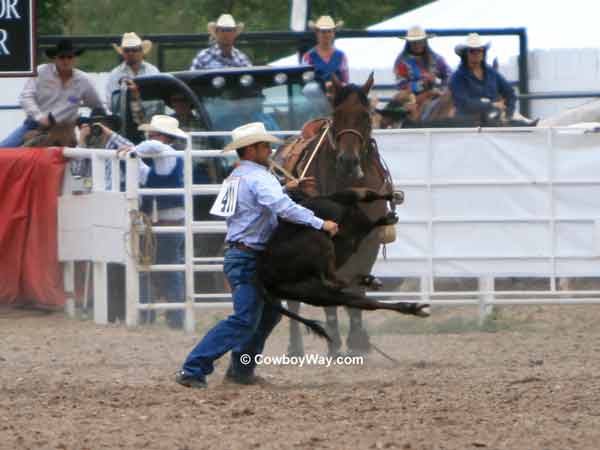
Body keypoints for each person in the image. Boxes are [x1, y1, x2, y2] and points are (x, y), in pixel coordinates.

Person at [175, 122, 339, 388]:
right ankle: (194, 368)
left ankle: (240, 371)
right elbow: (280, 207)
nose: (270, 149)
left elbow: (252, 204)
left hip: (244, 255)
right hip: (251, 257)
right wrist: (320, 223)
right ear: (250, 150)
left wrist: (284, 187)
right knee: (245, 319)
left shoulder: (236, 177)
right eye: (265, 146)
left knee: (266, 315)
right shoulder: (260, 178)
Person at [118, 115, 189, 329]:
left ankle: (173, 316)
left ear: (165, 137)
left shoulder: (166, 152)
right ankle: (163, 315)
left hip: (168, 222)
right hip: (160, 222)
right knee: (158, 267)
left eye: (154, 133)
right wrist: (127, 151)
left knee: (168, 268)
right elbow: (142, 169)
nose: (149, 137)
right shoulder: (164, 160)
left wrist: (131, 150)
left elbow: (151, 147)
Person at [0, 39, 104, 148]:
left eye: (69, 57)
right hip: (35, 126)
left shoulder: (83, 81)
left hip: (65, 131)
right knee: (3, 150)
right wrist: (39, 117)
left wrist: (92, 123)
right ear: (55, 58)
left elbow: (97, 105)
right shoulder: (41, 72)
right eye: (62, 57)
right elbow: (25, 97)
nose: (66, 61)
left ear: (74, 59)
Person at [449, 33, 517, 123]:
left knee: (522, 125)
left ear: (483, 52)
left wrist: (508, 114)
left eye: (479, 50)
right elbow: (463, 103)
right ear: (465, 54)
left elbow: (510, 93)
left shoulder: (492, 73)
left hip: (495, 116)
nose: (476, 53)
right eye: (472, 51)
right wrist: (492, 105)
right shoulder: (457, 77)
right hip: (468, 122)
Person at [393, 25, 452, 121]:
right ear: (409, 43)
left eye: (420, 41)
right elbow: (401, 83)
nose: (417, 45)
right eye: (414, 42)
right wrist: (421, 84)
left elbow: (449, 75)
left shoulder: (436, 58)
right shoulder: (402, 61)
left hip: (434, 94)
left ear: (425, 42)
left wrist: (440, 87)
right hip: (410, 96)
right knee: (402, 100)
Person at [105, 32, 160, 107]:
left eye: (134, 50)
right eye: (127, 50)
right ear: (123, 53)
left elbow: (158, 100)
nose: (130, 53)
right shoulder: (115, 74)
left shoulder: (153, 71)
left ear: (141, 52)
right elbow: (111, 103)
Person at [303, 15, 349, 90]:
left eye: (329, 31)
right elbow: (305, 82)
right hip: (315, 97)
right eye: (323, 32)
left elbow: (345, 81)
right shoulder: (308, 57)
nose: (327, 35)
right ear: (317, 33)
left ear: (333, 33)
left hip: (338, 97)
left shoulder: (342, 56)